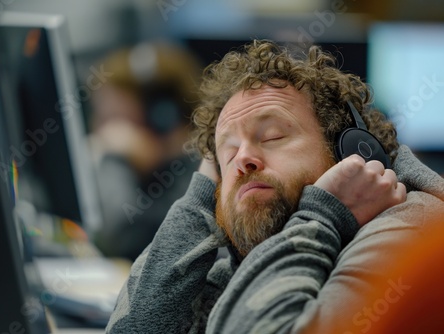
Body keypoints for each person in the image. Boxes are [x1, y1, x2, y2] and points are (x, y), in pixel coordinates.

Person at [104, 40, 444, 333]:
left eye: (272, 137)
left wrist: (323, 214)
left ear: (348, 151)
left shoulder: (409, 231)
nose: (243, 160)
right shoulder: (242, 262)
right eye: (229, 152)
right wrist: (202, 194)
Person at [87, 41, 202, 260]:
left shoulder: (195, 177)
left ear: (162, 117)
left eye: (113, 119)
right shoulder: (150, 172)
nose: (104, 132)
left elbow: (119, 236)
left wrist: (115, 158)